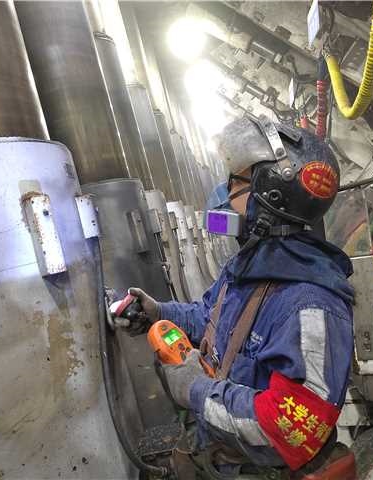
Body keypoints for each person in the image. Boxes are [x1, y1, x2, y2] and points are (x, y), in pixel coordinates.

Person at [125, 115, 355, 477]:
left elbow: (288, 430)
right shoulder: (249, 267)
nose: (225, 192)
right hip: (219, 455)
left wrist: (196, 390)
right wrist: (158, 312)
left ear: (271, 195)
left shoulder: (310, 306)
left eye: (237, 181)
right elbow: (210, 318)